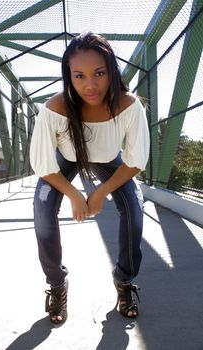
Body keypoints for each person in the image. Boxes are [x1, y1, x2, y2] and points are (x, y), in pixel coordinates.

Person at [30, 32, 150, 325]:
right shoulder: (54, 108)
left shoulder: (128, 105)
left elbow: (135, 161)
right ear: (68, 76)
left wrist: (98, 192)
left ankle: (124, 281)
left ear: (111, 70)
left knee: (134, 210)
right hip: (65, 162)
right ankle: (57, 284)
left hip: (111, 163)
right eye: (79, 75)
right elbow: (44, 163)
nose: (90, 85)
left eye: (99, 73)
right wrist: (73, 193)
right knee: (43, 210)